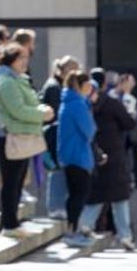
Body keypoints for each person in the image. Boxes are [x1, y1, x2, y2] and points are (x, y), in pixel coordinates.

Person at [0, 42, 52, 237]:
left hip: (16, 134)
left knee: (17, 180)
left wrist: (40, 110)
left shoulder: (16, 79)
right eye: (21, 58)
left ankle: (11, 223)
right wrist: (42, 114)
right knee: (11, 180)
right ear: (11, 60)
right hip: (6, 135)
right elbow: (18, 110)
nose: (25, 62)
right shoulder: (6, 81)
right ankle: (9, 224)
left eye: (26, 58)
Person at [84, 68, 137, 252]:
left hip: (94, 152)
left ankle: (86, 223)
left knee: (98, 193)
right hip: (114, 153)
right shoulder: (112, 103)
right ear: (105, 84)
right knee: (119, 196)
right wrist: (130, 107)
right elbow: (129, 123)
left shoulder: (86, 104)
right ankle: (125, 235)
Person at [56, 72, 96, 247]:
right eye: (87, 85)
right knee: (80, 194)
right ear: (79, 86)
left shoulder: (67, 102)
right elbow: (89, 131)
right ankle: (72, 231)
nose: (90, 88)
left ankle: (72, 229)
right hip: (78, 155)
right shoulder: (79, 104)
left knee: (74, 193)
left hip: (68, 155)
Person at [40, 56, 78, 221]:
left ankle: (58, 206)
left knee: (60, 171)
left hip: (58, 135)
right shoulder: (55, 87)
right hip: (54, 135)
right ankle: (55, 207)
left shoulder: (58, 86)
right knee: (57, 171)